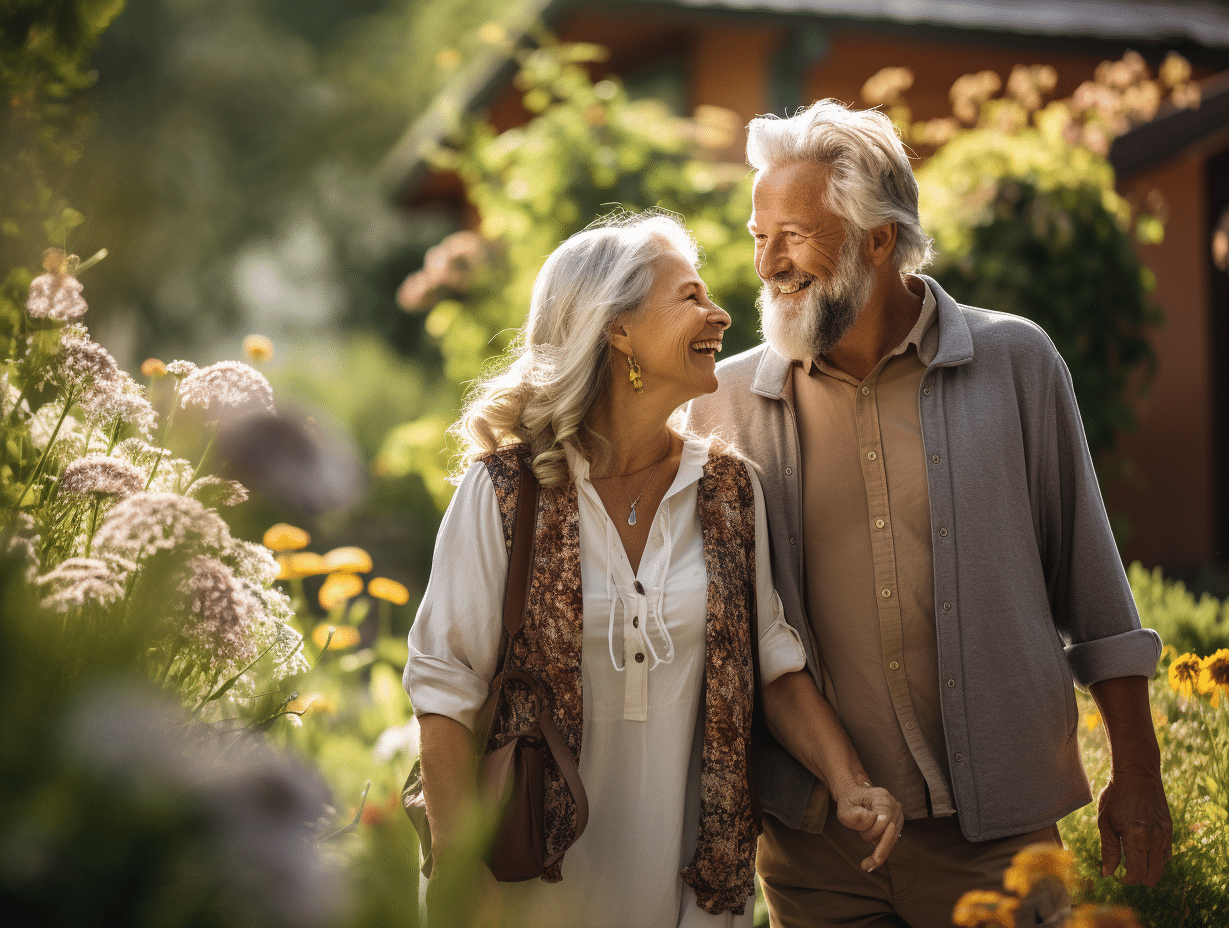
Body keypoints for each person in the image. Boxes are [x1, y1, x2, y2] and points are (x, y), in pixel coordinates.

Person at [687, 100, 1173, 927]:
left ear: (878, 239)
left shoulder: (1014, 362)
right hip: (816, 845)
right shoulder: (725, 399)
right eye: (757, 235)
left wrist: (1139, 771)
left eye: (795, 235)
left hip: (999, 837)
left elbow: (1091, 584)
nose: (768, 264)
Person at [403, 212, 904, 928]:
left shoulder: (729, 490)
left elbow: (775, 668)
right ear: (617, 330)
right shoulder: (505, 493)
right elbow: (444, 693)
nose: (722, 313)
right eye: (691, 297)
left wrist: (852, 784)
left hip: (685, 896)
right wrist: (457, 870)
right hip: (519, 896)